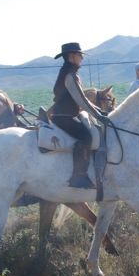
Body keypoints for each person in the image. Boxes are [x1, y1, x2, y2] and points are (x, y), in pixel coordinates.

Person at [50, 42, 107, 189]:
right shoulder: (70, 75)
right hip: (64, 117)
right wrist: (98, 114)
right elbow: (80, 100)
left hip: (64, 115)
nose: (82, 58)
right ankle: (79, 176)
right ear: (71, 56)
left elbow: (83, 99)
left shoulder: (70, 73)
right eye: (80, 55)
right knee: (86, 136)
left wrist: (99, 111)